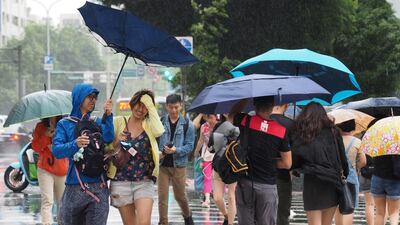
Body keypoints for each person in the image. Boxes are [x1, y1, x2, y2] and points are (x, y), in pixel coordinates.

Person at [52, 83, 114, 225]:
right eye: (89, 97)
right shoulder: (64, 124)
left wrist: (109, 116)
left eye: (95, 98)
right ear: (79, 98)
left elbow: (109, 136)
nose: (93, 101)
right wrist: (75, 144)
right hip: (74, 187)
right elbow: (57, 150)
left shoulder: (97, 122)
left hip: (99, 187)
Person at [228, 97, 292, 225]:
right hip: (267, 186)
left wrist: (245, 98)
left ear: (255, 105)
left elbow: (231, 115)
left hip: (246, 183)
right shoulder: (280, 131)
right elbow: (287, 163)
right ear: (272, 106)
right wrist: (270, 161)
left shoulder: (246, 121)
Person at [107, 90, 164, 225]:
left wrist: (150, 104)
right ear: (132, 104)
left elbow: (159, 131)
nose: (141, 109)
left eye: (145, 106)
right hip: (121, 182)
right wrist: (117, 141)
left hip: (144, 182)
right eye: (138, 104)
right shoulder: (119, 122)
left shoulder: (149, 125)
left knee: (144, 223)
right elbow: (107, 149)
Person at [291, 102, 348, 225]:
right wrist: (345, 174)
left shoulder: (303, 132)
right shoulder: (334, 131)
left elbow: (295, 159)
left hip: (312, 182)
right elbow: (342, 157)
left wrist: (296, 169)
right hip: (332, 181)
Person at [157, 94, 195, 225]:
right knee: (162, 197)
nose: (174, 110)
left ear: (181, 106)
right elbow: (155, 142)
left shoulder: (187, 125)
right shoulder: (161, 122)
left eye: (176, 107)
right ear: (167, 106)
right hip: (162, 166)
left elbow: (190, 146)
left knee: (180, 196)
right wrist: (159, 152)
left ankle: (187, 215)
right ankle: (163, 222)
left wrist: (176, 150)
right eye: (171, 107)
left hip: (179, 166)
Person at [32, 116, 68, 225]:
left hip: (62, 169)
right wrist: (45, 136)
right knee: (47, 201)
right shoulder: (40, 126)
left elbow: (69, 145)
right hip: (45, 169)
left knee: (62, 203)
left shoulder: (64, 125)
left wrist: (57, 136)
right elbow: (35, 147)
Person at [334, 119, 366, 225]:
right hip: (351, 177)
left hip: (335, 176)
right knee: (349, 206)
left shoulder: (334, 140)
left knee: (338, 206)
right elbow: (363, 161)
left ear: (339, 127)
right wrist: (356, 167)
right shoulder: (357, 142)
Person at [210, 114, 240, 225]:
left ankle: (230, 223)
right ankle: (226, 216)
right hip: (219, 164)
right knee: (217, 197)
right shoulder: (219, 125)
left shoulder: (240, 125)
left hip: (233, 166)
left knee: (231, 197)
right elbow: (211, 147)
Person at [270, 103, 294, 225]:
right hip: (283, 176)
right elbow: (295, 153)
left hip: (260, 175)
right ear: (286, 104)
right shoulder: (290, 124)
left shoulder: (261, 123)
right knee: (282, 214)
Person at [194, 114, 218, 208]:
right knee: (207, 177)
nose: (211, 120)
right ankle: (207, 199)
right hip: (207, 155)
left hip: (218, 156)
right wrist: (196, 151)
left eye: (212, 117)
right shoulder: (204, 126)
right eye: (209, 118)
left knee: (218, 177)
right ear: (206, 118)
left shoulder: (220, 125)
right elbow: (201, 140)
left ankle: (219, 197)